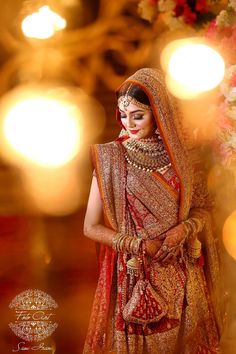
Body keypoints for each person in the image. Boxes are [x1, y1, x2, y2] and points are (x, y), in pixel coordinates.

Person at [83, 68, 222, 354]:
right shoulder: (110, 158)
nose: (128, 123)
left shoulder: (183, 159)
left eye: (138, 115)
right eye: (123, 115)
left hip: (181, 269)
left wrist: (185, 229)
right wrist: (136, 244)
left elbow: (202, 210)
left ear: (158, 112)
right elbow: (90, 227)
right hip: (135, 275)